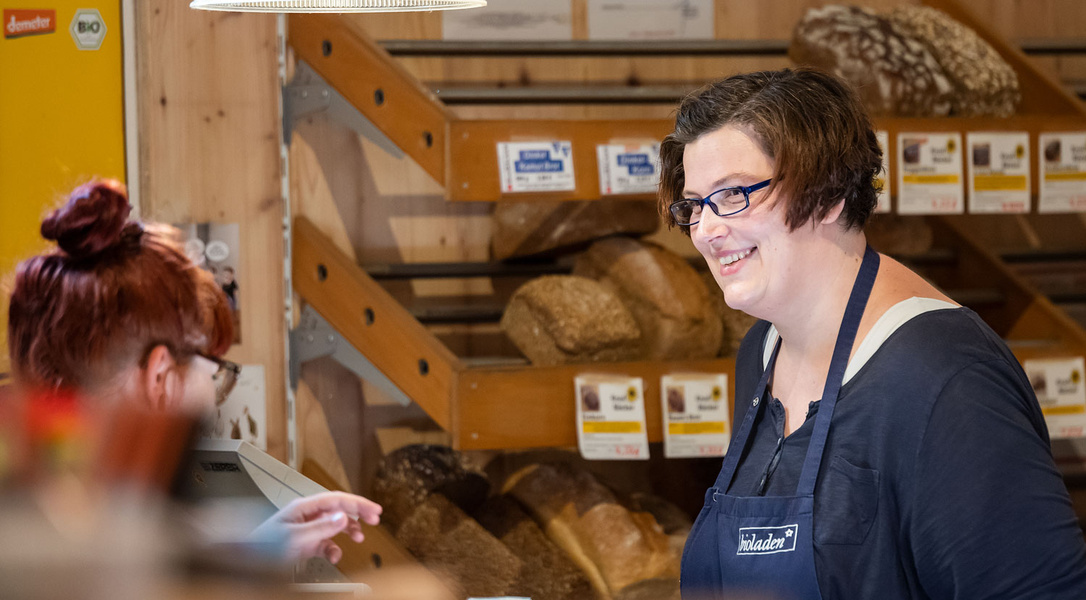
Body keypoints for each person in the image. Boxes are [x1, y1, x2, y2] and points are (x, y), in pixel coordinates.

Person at [658, 68, 1086, 599]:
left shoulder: (945, 382)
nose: (705, 230)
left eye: (733, 194)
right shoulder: (762, 353)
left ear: (829, 194)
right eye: (694, 205)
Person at [6, 178, 381, 566]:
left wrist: (257, 551)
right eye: (214, 370)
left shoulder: (48, 520)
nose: (213, 392)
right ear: (161, 378)